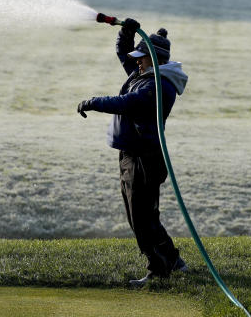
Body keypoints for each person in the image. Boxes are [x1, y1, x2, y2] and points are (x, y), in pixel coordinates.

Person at [77, 17, 189, 287]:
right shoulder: (144, 74)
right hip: (132, 154)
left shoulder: (159, 85)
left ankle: (159, 270)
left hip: (143, 158)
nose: (136, 62)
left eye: (142, 57)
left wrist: (93, 102)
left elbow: (130, 102)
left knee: (141, 218)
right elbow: (122, 54)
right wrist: (125, 34)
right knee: (142, 215)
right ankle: (173, 260)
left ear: (155, 59)